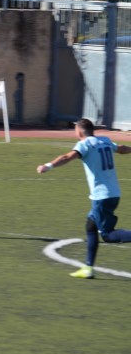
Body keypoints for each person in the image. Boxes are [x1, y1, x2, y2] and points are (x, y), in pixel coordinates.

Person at [36, 118, 131, 278]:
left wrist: (47, 166)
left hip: (102, 197)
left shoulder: (85, 144)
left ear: (79, 132)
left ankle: (88, 268)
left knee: (107, 235)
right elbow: (121, 149)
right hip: (113, 193)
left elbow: (67, 157)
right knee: (90, 226)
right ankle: (88, 268)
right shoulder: (105, 140)